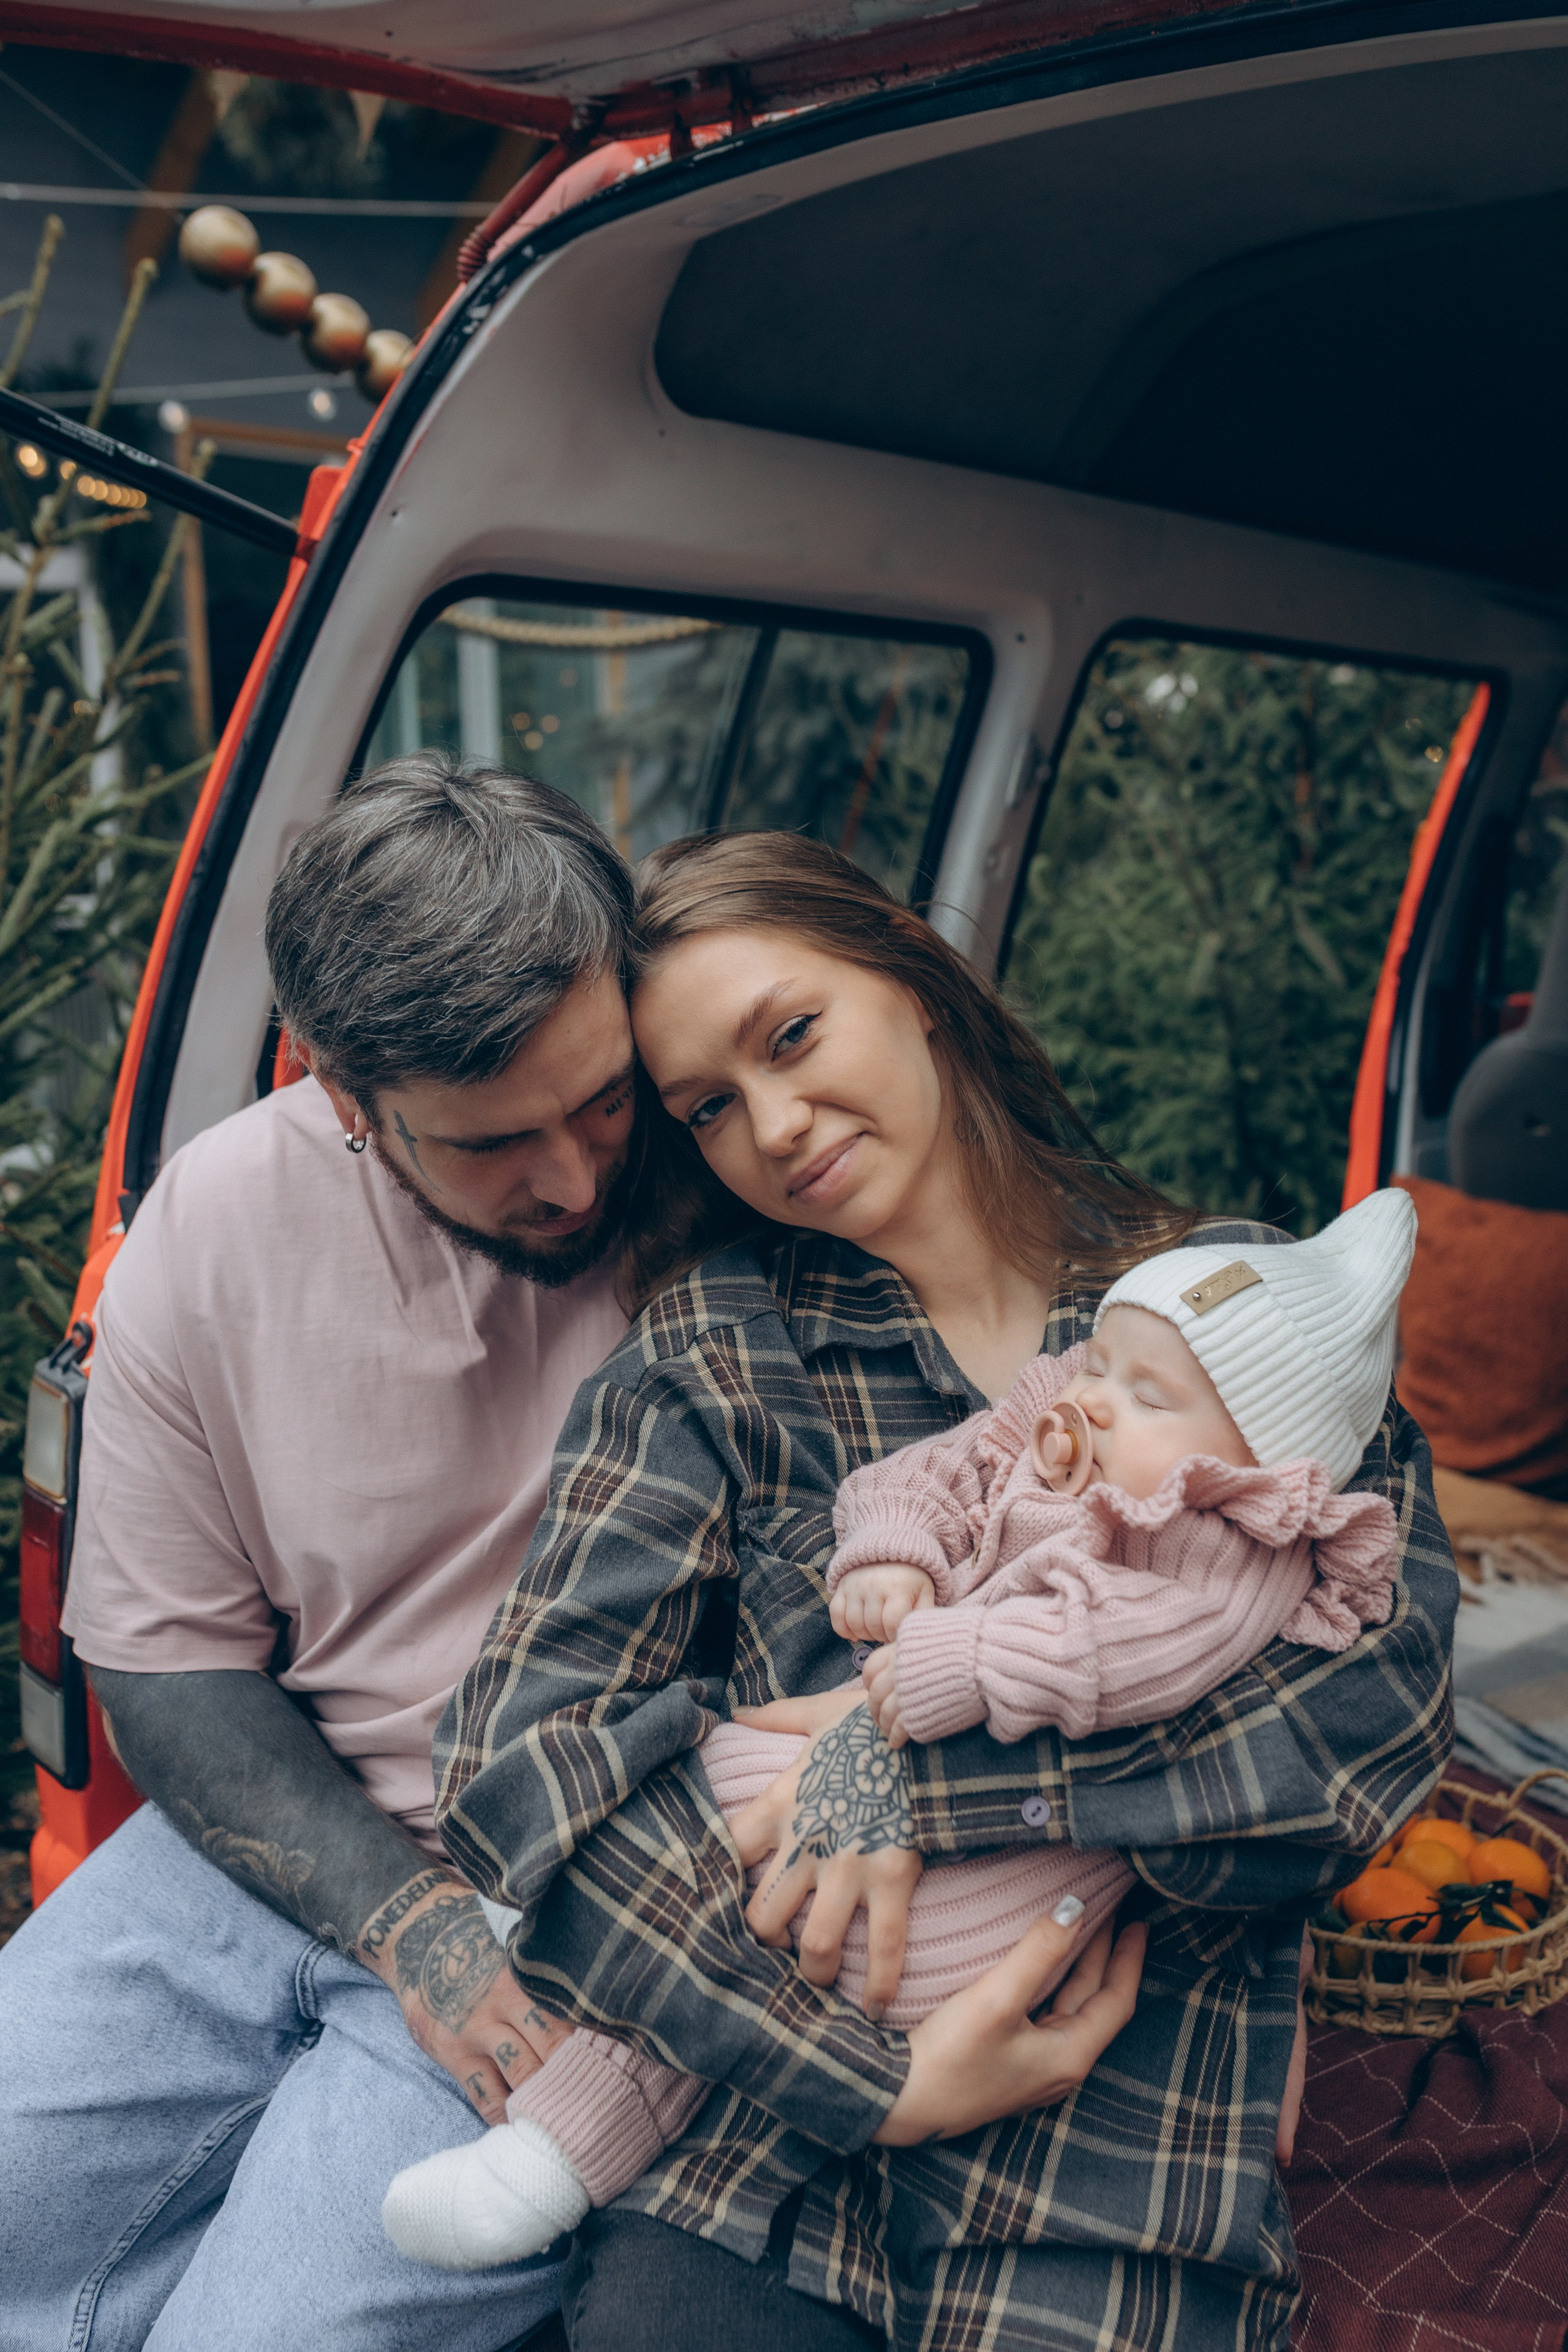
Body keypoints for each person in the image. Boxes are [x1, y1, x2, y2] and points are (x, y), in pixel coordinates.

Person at [435, 831, 1457, 2352]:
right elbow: (520, 1767)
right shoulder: (713, 1353)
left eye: (791, 1037)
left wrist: (891, 1770)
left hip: (1116, 2152)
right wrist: (874, 2085)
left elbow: (1359, 1740)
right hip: (759, 2141)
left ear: (911, 976)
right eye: (707, 1106)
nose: (772, 1127)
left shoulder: (1227, 1307)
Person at [388, 1188, 1411, 2272]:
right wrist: (893, 1550)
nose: (1096, 1400)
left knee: (764, 1906)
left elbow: (1108, 1655)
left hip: (1007, 1882)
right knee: (717, 1786)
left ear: (1262, 1465)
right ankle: (561, 2045)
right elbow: (929, 1469)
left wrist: (930, 1673)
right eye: (1101, 1362)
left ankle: (556, 2131)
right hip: (884, 1779)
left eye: (1149, 1394)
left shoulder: (1224, 1549)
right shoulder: (1058, 1424)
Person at [0, 755, 640, 2352]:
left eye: (602, 1099)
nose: (574, 1177)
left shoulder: (723, 1176)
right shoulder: (212, 1227)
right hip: (284, 1830)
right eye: (495, 1142)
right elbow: (164, 1661)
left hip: (586, 1887)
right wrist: (401, 1923)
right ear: (343, 1096)